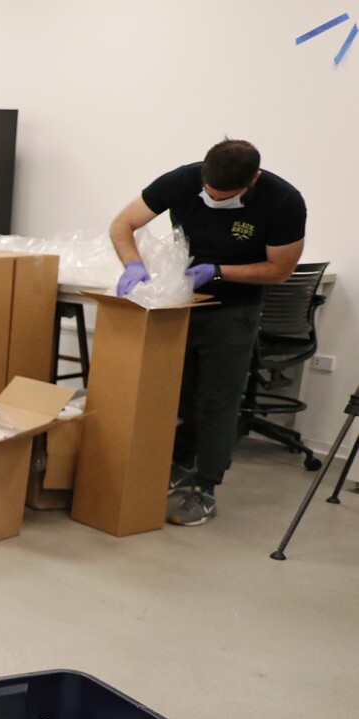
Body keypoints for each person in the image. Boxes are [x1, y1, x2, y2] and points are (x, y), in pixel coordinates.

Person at [110, 139, 306, 526]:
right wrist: (132, 265)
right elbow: (122, 224)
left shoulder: (283, 202)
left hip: (234, 311)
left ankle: (206, 489)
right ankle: (181, 465)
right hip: (182, 304)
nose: (214, 200)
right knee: (180, 393)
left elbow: (279, 270)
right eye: (210, 193)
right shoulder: (183, 180)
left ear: (254, 180)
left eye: (225, 196)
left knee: (218, 401)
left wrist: (219, 271)